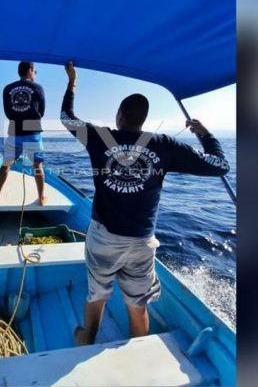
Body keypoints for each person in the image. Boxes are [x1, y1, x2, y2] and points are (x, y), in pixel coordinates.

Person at [59, 61, 230, 344]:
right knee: (138, 304)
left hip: (104, 239)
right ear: (142, 118)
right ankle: (137, 350)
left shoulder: (99, 137)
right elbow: (220, 166)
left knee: (97, 294)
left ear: (120, 115)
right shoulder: (164, 145)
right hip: (142, 241)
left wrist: (72, 82)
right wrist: (204, 134)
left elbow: (66, 117)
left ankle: (87, 337)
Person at [0, 61, 47, 206]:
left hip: (14, 131)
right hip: (33, 130)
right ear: (30, 71)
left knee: (6, 165)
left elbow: (8, 113)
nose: (35, 74)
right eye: (35, 71)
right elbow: (42, 112)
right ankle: (41, 198)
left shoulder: (8, 88)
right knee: (37, 165)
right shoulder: (38, 88)